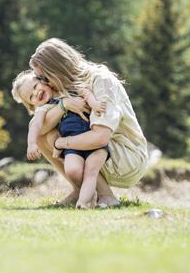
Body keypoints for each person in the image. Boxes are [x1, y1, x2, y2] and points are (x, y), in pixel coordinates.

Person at [28, 38, 149, 207]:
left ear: (56, 70)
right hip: (103, 152)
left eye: (43, 77)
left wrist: (61, 142)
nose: (42, 83)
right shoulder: (66, 86)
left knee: (53, 135)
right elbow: (39, 128)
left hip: (126, 157)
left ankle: (105, 195)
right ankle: (81, 190)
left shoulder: (101, 80)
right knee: (41, 131)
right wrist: (64, 105)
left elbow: (100, 137)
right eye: (37, 78)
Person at [12, 70, 109, 208]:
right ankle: (85, 197)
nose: (36, 93)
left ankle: (96, 197)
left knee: (91, 170)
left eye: (35, 87)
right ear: (32, 105)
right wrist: (31, 143)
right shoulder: (44, 108)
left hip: (90, 138)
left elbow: (85, 91)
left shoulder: (65, 89)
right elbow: (36, 125)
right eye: (31, 97)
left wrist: (94, 104)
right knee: (73, 170)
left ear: (43, 81)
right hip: (72, 146)